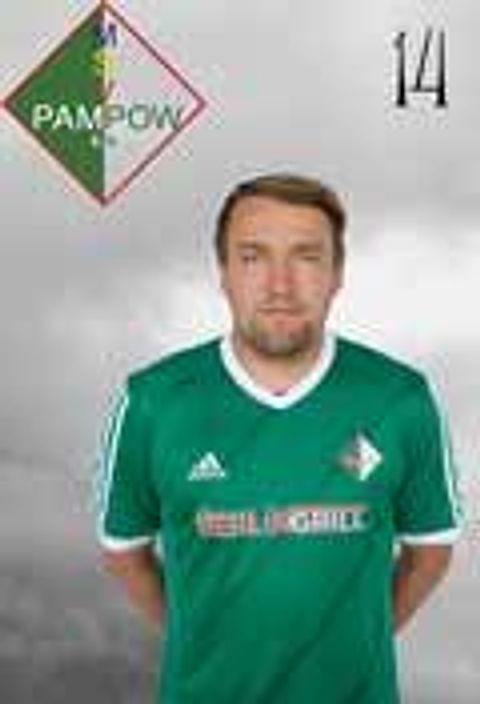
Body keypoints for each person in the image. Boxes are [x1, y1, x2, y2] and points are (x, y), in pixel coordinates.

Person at [95, 173, 462, 703]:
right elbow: (125, 555)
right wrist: (203, 638)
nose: (280, 285)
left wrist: (358, 643)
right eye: (253, 257)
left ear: (337, 274)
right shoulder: (154, 401)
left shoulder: (399, 399)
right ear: (223, 273)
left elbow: (430, 552)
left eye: (306, 257)